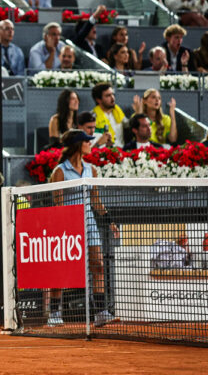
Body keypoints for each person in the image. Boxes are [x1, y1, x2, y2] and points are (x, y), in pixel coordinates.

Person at [49, 129, 119, 328]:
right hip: (66, 224)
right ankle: (54, 313)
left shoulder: (92, 170)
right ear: (78, 145)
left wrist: (109, 221)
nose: (91, 144)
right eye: (87, 142)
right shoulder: (60, 171)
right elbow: (58, 202)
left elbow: (96, 202)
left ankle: (100, 312)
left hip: (89, 223)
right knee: (61, 269)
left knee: (98, 265)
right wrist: (64, 225)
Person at [91, 82, 125, 148]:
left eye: (112, 94)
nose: (112, 98)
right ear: (98, 100)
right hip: (102, 153)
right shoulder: (92, 117)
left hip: (121, 151)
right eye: (108, 96)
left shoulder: (118, 112)